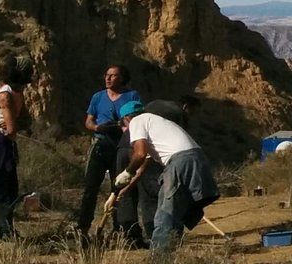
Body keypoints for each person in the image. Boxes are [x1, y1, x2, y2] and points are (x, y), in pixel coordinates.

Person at [119, 99, 217, 253]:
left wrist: (126, 172)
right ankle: (172, 254)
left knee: (165, 215)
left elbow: (140, 154)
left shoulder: (137, 121)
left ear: (126, 118)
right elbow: (144, 164)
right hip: (197, 159)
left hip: (180, 161)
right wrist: (126, 187)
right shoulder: (157, 122)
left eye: (122, 124)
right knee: (177, 211)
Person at [75, 65, 141, 237]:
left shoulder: (131, 95)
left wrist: (121, 127)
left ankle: (119, 228)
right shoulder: (98, 97)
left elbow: (137, 117)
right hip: (101, 144)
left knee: (118, 187)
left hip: (121, 146)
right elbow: (88, 121)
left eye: (113, 75)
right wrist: (98, 127)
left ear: (122, 78)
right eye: (107, 75)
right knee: (91, 187)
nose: (108, 78)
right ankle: (82, 227)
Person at [0, 77, 19, 238]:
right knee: (3, 187)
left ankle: (5, 228)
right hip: (1, 143)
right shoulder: (5, 95)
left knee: (8, 188)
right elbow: (11, 131)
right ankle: (3, 229)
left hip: (4, 143)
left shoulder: (11, 93)